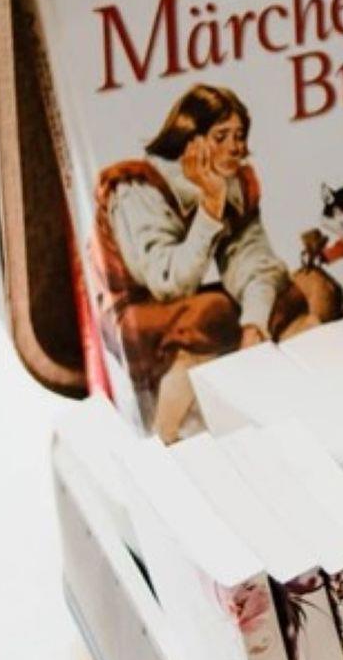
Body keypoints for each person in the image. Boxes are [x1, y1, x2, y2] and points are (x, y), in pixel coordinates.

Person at [91, 83, 327, 439]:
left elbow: (253, 260)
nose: (236, 147)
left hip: (182, 306)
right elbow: (168, 282)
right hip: (131, 315)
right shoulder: (137, 188)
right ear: (190, 140)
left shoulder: (232, 184)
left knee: (288, 295)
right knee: (212, 312)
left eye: (239, 136)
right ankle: (167, 433)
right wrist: (210, 210)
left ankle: (303, 401)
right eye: (221, 136)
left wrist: (254, 325)